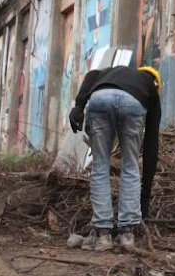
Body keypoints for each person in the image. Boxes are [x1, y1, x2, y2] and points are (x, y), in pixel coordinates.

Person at [68, 65, 162, 251]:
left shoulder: (110, 73)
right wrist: (144, 201)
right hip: (133, 104)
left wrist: (79, 106)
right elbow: (151, 146)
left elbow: (91, 74)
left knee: (100, 167)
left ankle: (103, 235)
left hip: (100, 98)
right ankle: (127, 235)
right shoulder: (149, 88)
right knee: (130, 166)